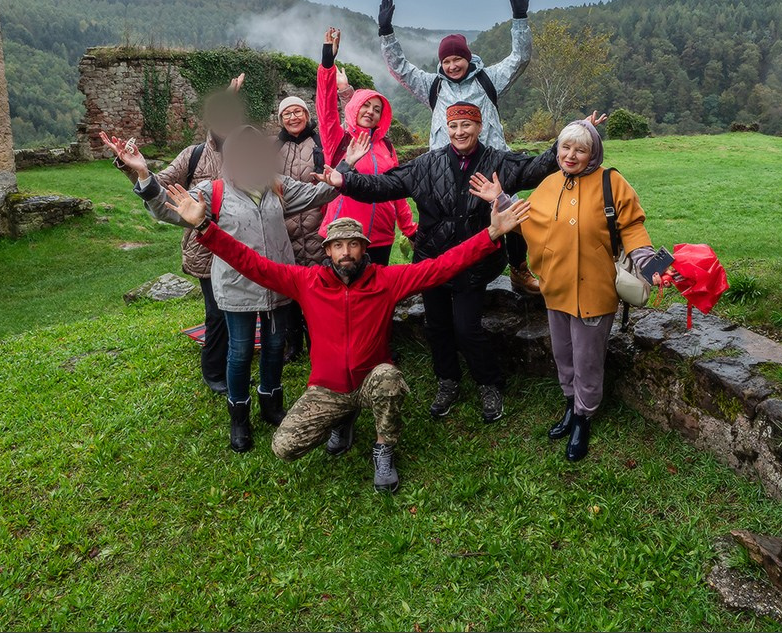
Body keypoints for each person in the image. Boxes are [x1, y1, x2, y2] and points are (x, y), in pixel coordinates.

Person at [160, 188, 532, 493]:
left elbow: (441, 266)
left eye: (353, 245)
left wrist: (491, 234)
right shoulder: (306, 283)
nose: (346, 252)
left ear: (364, 249)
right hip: (327, 388)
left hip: (372, 379)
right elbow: (250, 262)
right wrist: (205, 227)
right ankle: (344, 417)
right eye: (338, 246)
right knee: (283, 447)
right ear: (327, 252)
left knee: (387, 379)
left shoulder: (386, 281)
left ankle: (383, 449)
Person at [319, 103, 606, 424]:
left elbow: (535, 168)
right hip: (432, 261)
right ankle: (447, 380)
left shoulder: (496, 162)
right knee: (437, 326)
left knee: (467, 328)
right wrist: (345, 178)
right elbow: (384, 186)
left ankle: (489, 382)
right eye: (454, 126)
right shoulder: (427, 164)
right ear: (447, 128)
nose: (460, 132)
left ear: (478, 127)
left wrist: (573, 136)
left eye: (466, 126)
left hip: (475, 262)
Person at [103, 124, 352, 454]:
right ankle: (239, 416)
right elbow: (167, 208)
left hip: (278, 282)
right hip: (236, 287)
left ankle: (270, 402)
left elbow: (320, 193)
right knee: (240, 351)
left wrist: (350, 164)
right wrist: (143, 174)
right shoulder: (212, 191)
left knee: (276, 346)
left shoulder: (278, 186)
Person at [471, 120, 653, 462]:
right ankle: (570, 404)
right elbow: (527, 218)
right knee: (564, 353)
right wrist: (501, 198)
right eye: (565, 148)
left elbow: (633, 230)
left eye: (580, 149)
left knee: (587, 357)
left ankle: (584, 416)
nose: (570, 155)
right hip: (556, 288)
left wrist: (651, 265)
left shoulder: (611, 183)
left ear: (593, 153)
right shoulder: (550, 184)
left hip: (595, 290)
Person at [377, 0, 538, 292]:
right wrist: (386, 32)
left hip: (492, 164)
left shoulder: (489, 79)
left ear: (468, 58)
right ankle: (437, 275)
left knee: (513, 215)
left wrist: (519, 19)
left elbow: (520, 58)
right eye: (447, 61)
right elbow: (400, 68)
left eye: (457, 59)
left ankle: (518, 269)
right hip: (446, 168)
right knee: (445, 222)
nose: (452, 65)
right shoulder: (432, 86)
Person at [102, 85, 246, 396]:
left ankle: (238, 361)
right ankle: (213, 369)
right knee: (217, 312)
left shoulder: (246, 148)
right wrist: (136, 169)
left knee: (240, 307)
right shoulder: (193, 155)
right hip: (206, 248)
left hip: (242, 245)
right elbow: (159, 187)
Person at [317, 27, 417, 266]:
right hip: (343, 236)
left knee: (377, 299)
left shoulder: (387, 147)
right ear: (355, 107)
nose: (370, 112)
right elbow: (326, 107)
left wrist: (410, 229)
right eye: (365, 106)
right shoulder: (339, 139)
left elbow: (398, 192)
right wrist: (327, 63)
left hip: (381, 238)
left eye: (376, 109)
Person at [274, 91, 332, 363]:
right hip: (285, 227)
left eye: (298, 112)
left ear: (307, 116)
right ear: (281, 119)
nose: (293, 117)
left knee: (319, 288)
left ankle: (319, 343)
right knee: (290, 289)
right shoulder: (273, 148)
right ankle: (293, 343)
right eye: (287, 113)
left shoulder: (320, 143)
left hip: (317, 222)